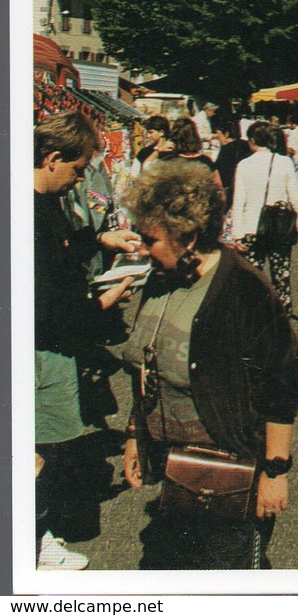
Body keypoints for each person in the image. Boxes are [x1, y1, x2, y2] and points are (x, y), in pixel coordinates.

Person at [119, 161, 298, 569]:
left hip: (228, 472)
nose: (140, 247)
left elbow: (284, 383)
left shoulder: (244, 288)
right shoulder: (160, 279)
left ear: (185, 236)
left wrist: (275, 472)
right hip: (173, 468)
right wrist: (136, 434)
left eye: (149, 239)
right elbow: (146, 365)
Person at [34, 112, 138, 570]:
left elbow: (61, 253)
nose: (80, 181)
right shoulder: (33, 207)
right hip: (46, 343)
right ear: (52, 158)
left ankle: (37, 537)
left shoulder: (45, 203)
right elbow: (48, 301)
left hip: (50, 342)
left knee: (47, 445)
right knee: (43, 449)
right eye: (77, 170)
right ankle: (33, 540)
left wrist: (99, 239)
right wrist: (106, 299)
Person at [230, 122, 298, 314]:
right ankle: (283, 314)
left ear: (252, 140)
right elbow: (295, 197)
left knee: (252, 277)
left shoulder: (244, 165)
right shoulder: (284, 162)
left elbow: (238, 201)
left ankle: (253, 314)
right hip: (279, 227)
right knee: (281, 276)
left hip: (251, 227)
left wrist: (236, 234)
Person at [213, 117, 251, 209]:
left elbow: (220, 177)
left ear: (226, 134)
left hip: (232, 192)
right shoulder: (247, 145)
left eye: (219, 136)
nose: (219, 139)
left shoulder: (226, 150)